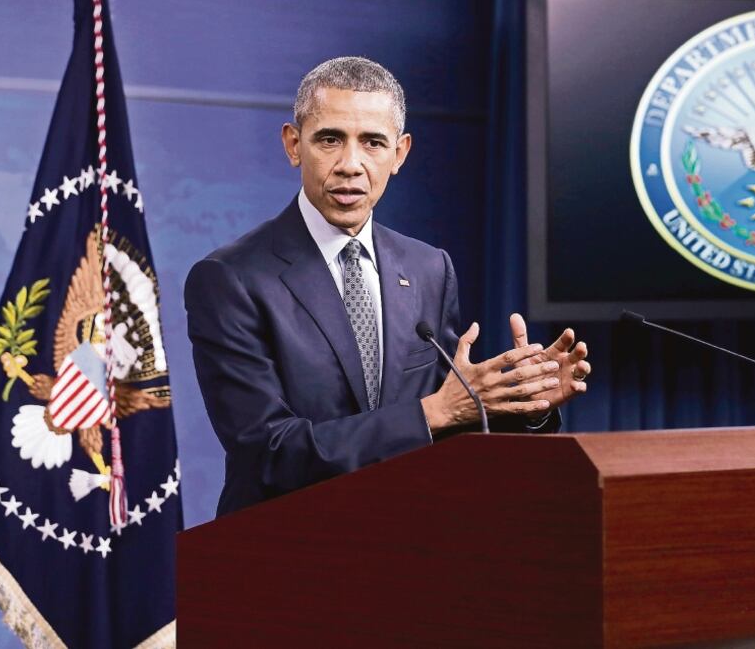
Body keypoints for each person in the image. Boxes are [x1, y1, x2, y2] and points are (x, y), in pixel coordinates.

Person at [184, 57, 591, 516]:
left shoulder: (428, 268)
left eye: (373, 142)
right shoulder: (230, 278)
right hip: (284, 551)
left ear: (400, 154)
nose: (350, 165)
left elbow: (454, 426)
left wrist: (523, 403)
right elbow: (269, 452)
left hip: (407, 546)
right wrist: (432, 413)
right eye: (330, 139)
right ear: (293, 145)